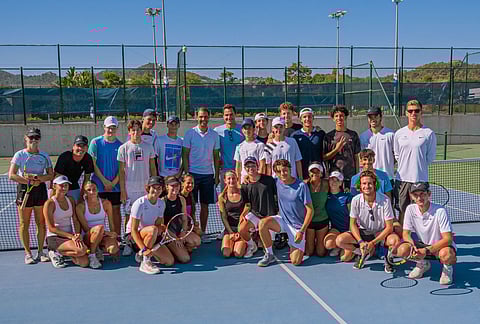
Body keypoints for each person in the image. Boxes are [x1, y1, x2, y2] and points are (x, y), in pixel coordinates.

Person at [335, 170, 400, 273]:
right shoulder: (355, 200)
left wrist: (373, 243)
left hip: (381, 232)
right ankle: (362, 253)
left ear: (375, 184)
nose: (367, 186)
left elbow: (389, 227)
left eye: (370, 183)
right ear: (360, 186)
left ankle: (388, 258)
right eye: (364, 184)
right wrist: (361, 242)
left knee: (395, 241)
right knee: (339, 240)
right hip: (364, 232)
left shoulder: (385, 200)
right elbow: (352, 224)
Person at [9, 128, 54, 264]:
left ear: (39, 139)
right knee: (24, 223)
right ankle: (28, 254)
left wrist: (38, 179)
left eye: (36, 137)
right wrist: (28, 181)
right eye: (31, 137)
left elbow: (51, 175)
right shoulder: (19, 155)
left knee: (41, 222)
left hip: (40, 190)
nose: (33, 140)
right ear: (26, 138)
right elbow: (12, 175)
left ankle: (41, 251)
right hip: (24, 190)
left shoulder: (45, 156)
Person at [257, 159, 313, 267]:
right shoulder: (277, 182)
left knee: (296, 262)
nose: (283, 173)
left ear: (290, 169)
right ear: (276, 173)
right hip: (282, 221)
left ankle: (292, 242)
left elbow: (310, 210)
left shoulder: (301, 186)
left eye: (285, 170)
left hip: (297, 226)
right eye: (279, 171)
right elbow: (258, 178)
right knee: (262, 224)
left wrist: (302, 231)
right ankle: (269, 254)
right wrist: (246, 178)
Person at [398, 182, 456, 285]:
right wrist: (412, 247)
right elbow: (406, 234)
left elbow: (448, 239)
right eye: (415, 195)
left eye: (422, 194)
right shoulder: (410, 209)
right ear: (411, 196)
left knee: (446, 255)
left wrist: (426, 250)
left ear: (429, 194)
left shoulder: (440, 211)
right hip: (423, 244)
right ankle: (422, 263)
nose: (419, 198)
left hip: (441, 246)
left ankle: (447, 269)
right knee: (403, 250)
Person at [394, 99, 437, 223]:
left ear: (421, 112)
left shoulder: (428, 133)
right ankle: (403, 237)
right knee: (402, 210)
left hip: (420, 179)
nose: (413, 113)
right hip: (402, 180)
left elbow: (430, 157)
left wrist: (417, 168)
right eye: (410, 111)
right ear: (406, 113)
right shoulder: (399, 133)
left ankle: (422, 236)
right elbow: (397, 155)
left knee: (421, 210)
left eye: (416, 111)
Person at [118, 119, 157, 256]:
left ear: (141, 130)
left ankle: (144, 242)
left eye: (138, 129)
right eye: (133, 130)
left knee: (146, 215)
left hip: (145, 189)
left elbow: (153, 167)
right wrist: (123, 191)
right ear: (129, 132)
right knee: (129, 216)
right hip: (130, 189)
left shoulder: (149, 147)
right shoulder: (123, 148)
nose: (136, 132)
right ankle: (128, 243)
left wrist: (155, 186)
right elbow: (121, 172)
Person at [182, 107, 221, 241]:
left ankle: (202, 232)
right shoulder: (189, 133)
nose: (203, 119)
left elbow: (216, 157)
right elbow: (185, 155)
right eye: (201, 116)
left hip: (208, 175)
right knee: (191, 206)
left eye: (205, 116)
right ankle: (192, 231)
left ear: (208, 117)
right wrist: (187, 174)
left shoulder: (214, 135)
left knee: (205, 205)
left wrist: (216, 176)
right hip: (193, 174)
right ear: (196, 117)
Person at [125, 176, 172, 275]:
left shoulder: (161, 204)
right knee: (153, 229)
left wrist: (163, 231)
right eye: (153, 187)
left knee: (169, 261)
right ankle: (145, 261)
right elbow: (133, 230)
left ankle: (141, 254)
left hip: (151, 234)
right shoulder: (139, 203)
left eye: (159, 188)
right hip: (133, 237)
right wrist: (144, 249)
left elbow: (158, 225)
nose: (156, 190)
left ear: (162, 189)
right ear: (148, 188)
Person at [88, 116, 123, 238]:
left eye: (113, 128)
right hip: (98, 186)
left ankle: (117, 238)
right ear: (104, 127)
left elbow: (121, 168)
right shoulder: (95, 143)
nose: (111, 130)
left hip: (115, 187)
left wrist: (113, 183)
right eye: (108, 127)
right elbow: (92, 164)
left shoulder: (121, 146)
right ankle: (97, 240)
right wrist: (104, 182)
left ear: (117, 128)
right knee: (98, 214)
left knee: (115, 212)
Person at [44, 176, 89, 269]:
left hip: (69, 236)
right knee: (81, 250)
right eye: (61, 185)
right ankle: (54, 252)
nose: (64, 188)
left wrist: (77, 234)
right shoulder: (49, 203)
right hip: (54, 237)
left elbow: (75, 220)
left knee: (84, 262)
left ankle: (64, 253)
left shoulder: (71, 200)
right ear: (54, 186)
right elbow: (51, 228)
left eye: (66, 185)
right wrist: (71, 237)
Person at [239, 156, 278, 258]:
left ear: (257, 166)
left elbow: (277, 196)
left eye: (253, 165)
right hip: (255, 215)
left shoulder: (269, 180)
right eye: (247, 166)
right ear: (245, 168)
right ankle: (252, 246)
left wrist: (278, 212)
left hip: (270, 216)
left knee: (266, 247)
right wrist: (242, 215)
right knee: (242, 229)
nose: (250, 168)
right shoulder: (244, 186)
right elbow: (247, 204)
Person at [75, 181, 119, 269]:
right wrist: (106, 232)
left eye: (94, 189)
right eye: (88, 190)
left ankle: (98, 249)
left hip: (102, 235)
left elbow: (111, 223)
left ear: (98, 190)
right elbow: (86, 228)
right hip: (88, 237)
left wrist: (114, 239)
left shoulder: (106, 203)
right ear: (85, 192)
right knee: (99, 228)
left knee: (113, 249)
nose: (92, 192)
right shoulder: (80, 207)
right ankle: (92, 255)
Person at [162, 176, 201, 263]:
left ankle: (180, 249)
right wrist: (174, 237)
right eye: (172, 185)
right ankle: (172, 249)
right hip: (168, 234)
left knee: (197, 241)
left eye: (177, 185)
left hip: (179, 232)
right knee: (185, 259)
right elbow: (161, 225)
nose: (175, 188)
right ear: (167, 186)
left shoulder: (182, 199)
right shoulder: (162, 202)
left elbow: (184, 219)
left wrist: (183, 232)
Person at [323, 105, 361, 189]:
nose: (339, 118)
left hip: (350, 177)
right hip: (334, 177)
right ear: (333, 118)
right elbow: (324, 157)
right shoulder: (329, 137)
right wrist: (336, 149)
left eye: (341, 116)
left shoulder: (353, 135)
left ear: (345, 117)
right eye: (336, 116)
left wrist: (357, 175)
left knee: (350, 201)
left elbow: (356, 157)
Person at [359, 107, 395, 183]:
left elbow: (396, 155)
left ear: (381, 117)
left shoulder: (391, 134)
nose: (373, 119)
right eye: (370, 117)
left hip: (388, 177)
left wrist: (388, 164)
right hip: (370, 178)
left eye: (376, 116)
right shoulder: (363, 136)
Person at [54, 135, 94, 202]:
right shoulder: (64, 157)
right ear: (73, 147)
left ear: (87, 148)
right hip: (60, 186)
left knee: (76, 206)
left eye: (83, 146)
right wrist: (55, 192)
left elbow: (87, 178)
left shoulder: (88, 158)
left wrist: (81, 195)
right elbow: (56, 176)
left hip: (74, 186)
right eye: (78, 145)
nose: (80, 148)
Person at [324, 171, 354, 260]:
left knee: (344, 258)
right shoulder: (326, 196)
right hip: (335, 229)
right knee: (328, 244)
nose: (333, 182)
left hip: (348, 229)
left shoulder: (347, 196)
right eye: (331, 180)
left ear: (341, 183)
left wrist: (351, 231)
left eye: (336, 180)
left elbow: (353, 216)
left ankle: (354, 249)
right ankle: (339, 245)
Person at [214, 104, 244, 189]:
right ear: (223, 116)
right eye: (226, 115)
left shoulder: (243, 130)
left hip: (241, 170)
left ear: (235, 114)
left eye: (231, 114)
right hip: (225, 171)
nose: (229, 117)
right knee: (225, 197)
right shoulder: (217, 131)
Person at [218, 171, 247, 258]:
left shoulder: (243, 192)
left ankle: (250, 242)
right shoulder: (222, 197)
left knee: (238, 254)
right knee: (226, 254)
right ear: (225, 180)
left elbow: (248, 208)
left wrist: (240, 231)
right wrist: (230, 232)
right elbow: (224, 217)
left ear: (237, 179)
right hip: (230, 230)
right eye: (229, 179)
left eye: (233, 178)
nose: (231, 181)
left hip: (242, 228)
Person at [291, 107, 325, 180]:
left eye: (309, 116)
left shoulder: (320, 133)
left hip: (317, 173)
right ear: (301, 119)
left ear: (313, 118)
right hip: (301, 173)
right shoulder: (295, 136)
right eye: (304, 117)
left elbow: (324, 153)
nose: (307, 119)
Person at [304, 162, 329, 257]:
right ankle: (311, 241)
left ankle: (318, 242)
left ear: (321, 173)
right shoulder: (305, 185)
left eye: (317, 171)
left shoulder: (327, 184)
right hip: (309, 221)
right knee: (309, 252)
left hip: (322, 220)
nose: (314, 173)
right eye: (312, 171)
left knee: (321, 253)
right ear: (309, 173)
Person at [234, 118, 267, 182]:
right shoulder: (239, 147)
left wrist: (258, 180)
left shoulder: (260, 145)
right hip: (244, 182)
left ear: (254, 129)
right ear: (242, 130)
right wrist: (239, 182)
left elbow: (262, 165)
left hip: (256, 181)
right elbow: (238, 167)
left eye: (249, 128)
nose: (247, 130)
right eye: (245, 128)